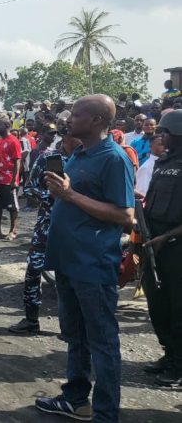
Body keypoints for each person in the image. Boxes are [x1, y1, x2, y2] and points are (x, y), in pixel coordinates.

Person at [35, 94, 134, 422]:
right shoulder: (78, 153)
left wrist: (70, 195)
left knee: (102, 341)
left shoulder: (114, 158)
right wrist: (61, 192)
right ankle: (75, 399)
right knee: (75, 336)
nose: (69, 119)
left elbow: (125, 215)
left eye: (76, 115)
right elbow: (72, 198)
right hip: (67, 260)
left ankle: (106, 414)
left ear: (96, 121)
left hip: (92, 264)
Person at [9, 122, 81, 334]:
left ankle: (70, 327)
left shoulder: (86, 159)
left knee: (70, 276)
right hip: (46, 225)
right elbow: (29, 188)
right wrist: (49, 196)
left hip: (75, 228)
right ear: (66, 138)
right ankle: (31, 319)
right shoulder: (50, 158)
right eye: (75, 137)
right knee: (33, 271)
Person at [142, 109, 182, 388]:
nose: (161, 137)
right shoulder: (162, 162)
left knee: (178, 308)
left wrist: (167, 236)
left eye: (165, 132)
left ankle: (179, 365)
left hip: (176, 247)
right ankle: (170, 354)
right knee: (158, 305)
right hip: (155, 245)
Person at [0, 118, 22, 240]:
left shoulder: (13, 141)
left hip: (9, 179)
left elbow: (17, 161)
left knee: (12, 207)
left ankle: (13, 230)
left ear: (7, 126)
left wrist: (14, 180)